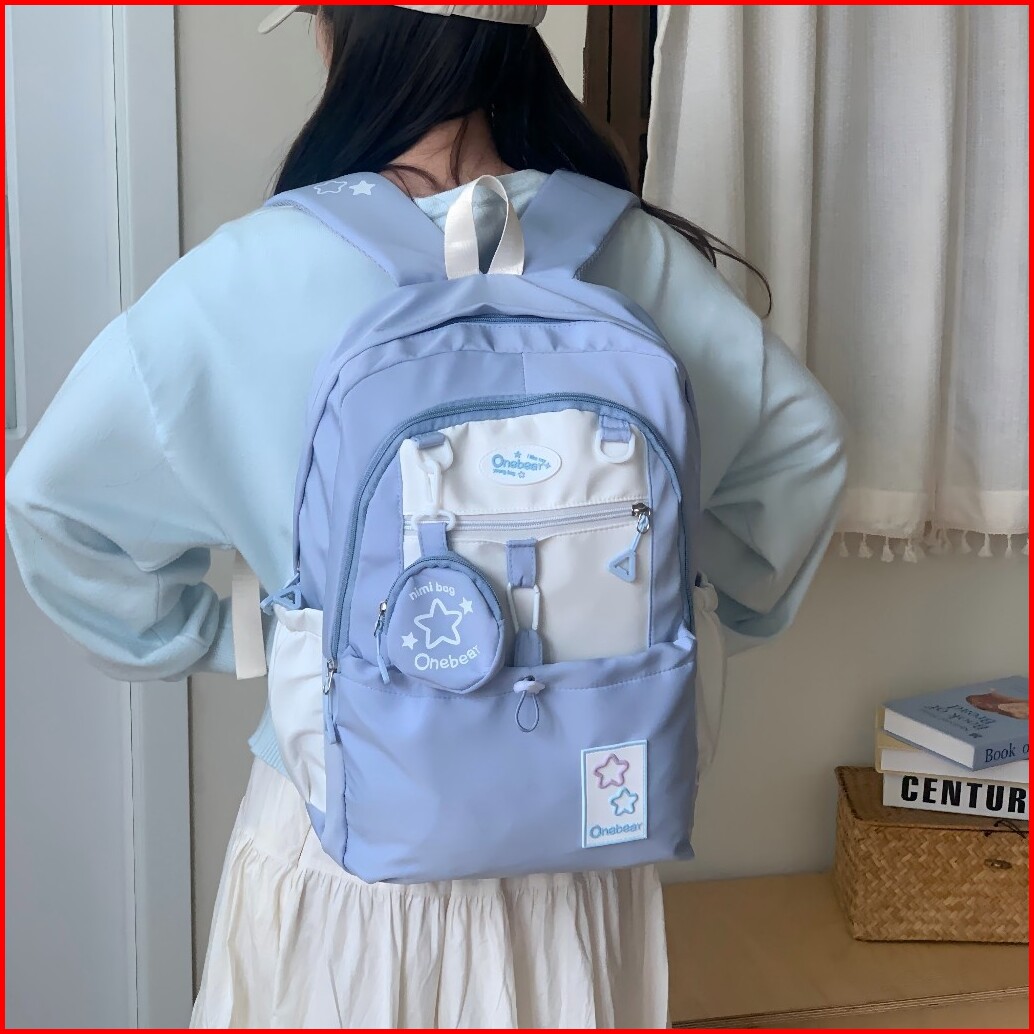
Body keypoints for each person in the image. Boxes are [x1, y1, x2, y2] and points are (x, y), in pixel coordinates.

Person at [5, 5, 846, 1028]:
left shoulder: (256, 269)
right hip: (581, 846)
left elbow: (52, 503)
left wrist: (249, 634)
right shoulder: (628, 248)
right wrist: (673, 621)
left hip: (345, 848)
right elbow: (805, 453)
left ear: (346, 35)